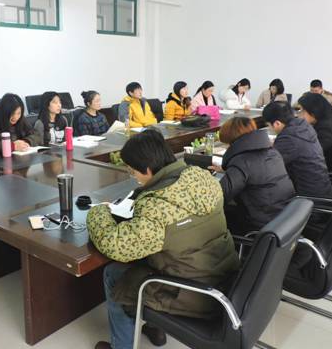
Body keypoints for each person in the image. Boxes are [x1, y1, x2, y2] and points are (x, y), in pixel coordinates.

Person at [87, 130, 239, 349]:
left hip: (193, 293)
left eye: (133, 171)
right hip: (224, 273)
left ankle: (122, 346)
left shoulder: (156, 205)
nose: (134, 176)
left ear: (148, 169)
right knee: (154, 255)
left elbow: (115, 245)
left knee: (114, 273)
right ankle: (155, 328)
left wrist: (98, 212)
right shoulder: (202, 176)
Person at [210, 117, 295, 235]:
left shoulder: (242, 161)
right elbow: (257, 173)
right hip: (283, 219)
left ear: (233, 141)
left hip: (259, 228)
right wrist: (230, 170)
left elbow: (219, 197)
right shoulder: (272, 152)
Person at [262, 102, 332, 197]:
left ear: (277, 123)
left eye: (269, 126)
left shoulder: (288, 138)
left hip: (306, 198)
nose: (270, 128)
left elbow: (268, 166)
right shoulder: (303, 126)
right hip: (322, 190)